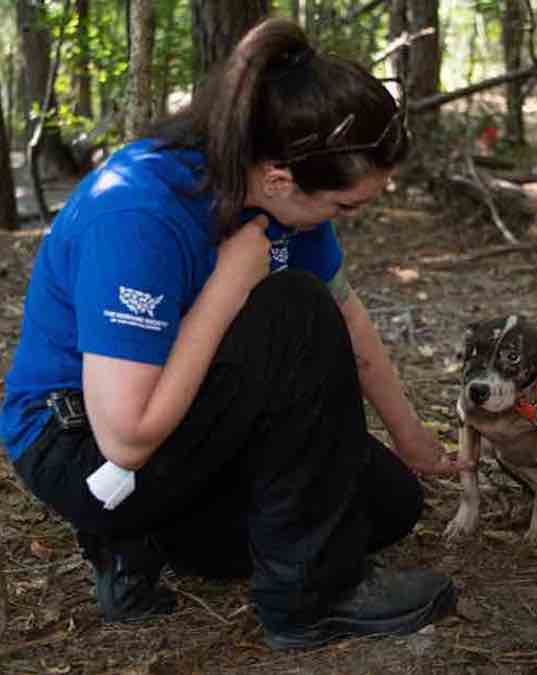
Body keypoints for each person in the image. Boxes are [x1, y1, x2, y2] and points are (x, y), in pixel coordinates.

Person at [0, 17, 468, 649]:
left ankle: (153, 535)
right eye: (344, 206)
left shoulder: (280, 189)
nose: (347, 220)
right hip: (82, 442)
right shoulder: (139, 212)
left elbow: (348, 319)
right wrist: (227, 286)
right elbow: (126, 439)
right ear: (280, 176)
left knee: (388, 503)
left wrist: (414, 439)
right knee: (293, 310)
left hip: (189, 419)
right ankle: (309, 599)